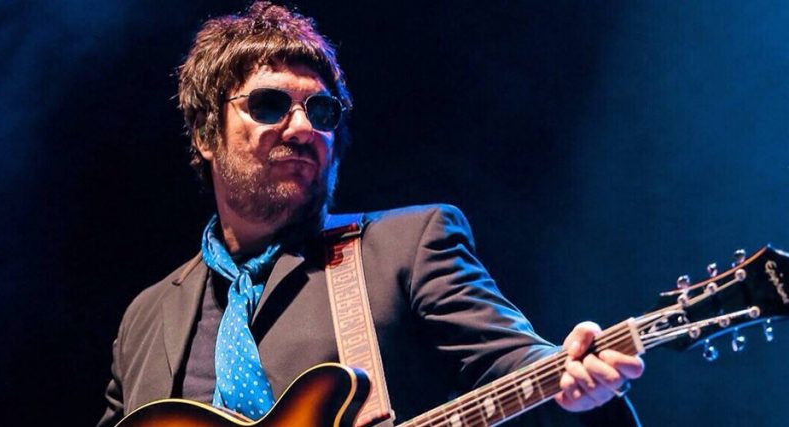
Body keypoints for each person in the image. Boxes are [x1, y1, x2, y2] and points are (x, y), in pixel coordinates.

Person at [98, 3, 644, 426]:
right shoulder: (146, 317)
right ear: (205, 134)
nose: (302, 128)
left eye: (321, 110)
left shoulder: (404, 249)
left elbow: (518, 361)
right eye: (269, 105)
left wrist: (579, 376)